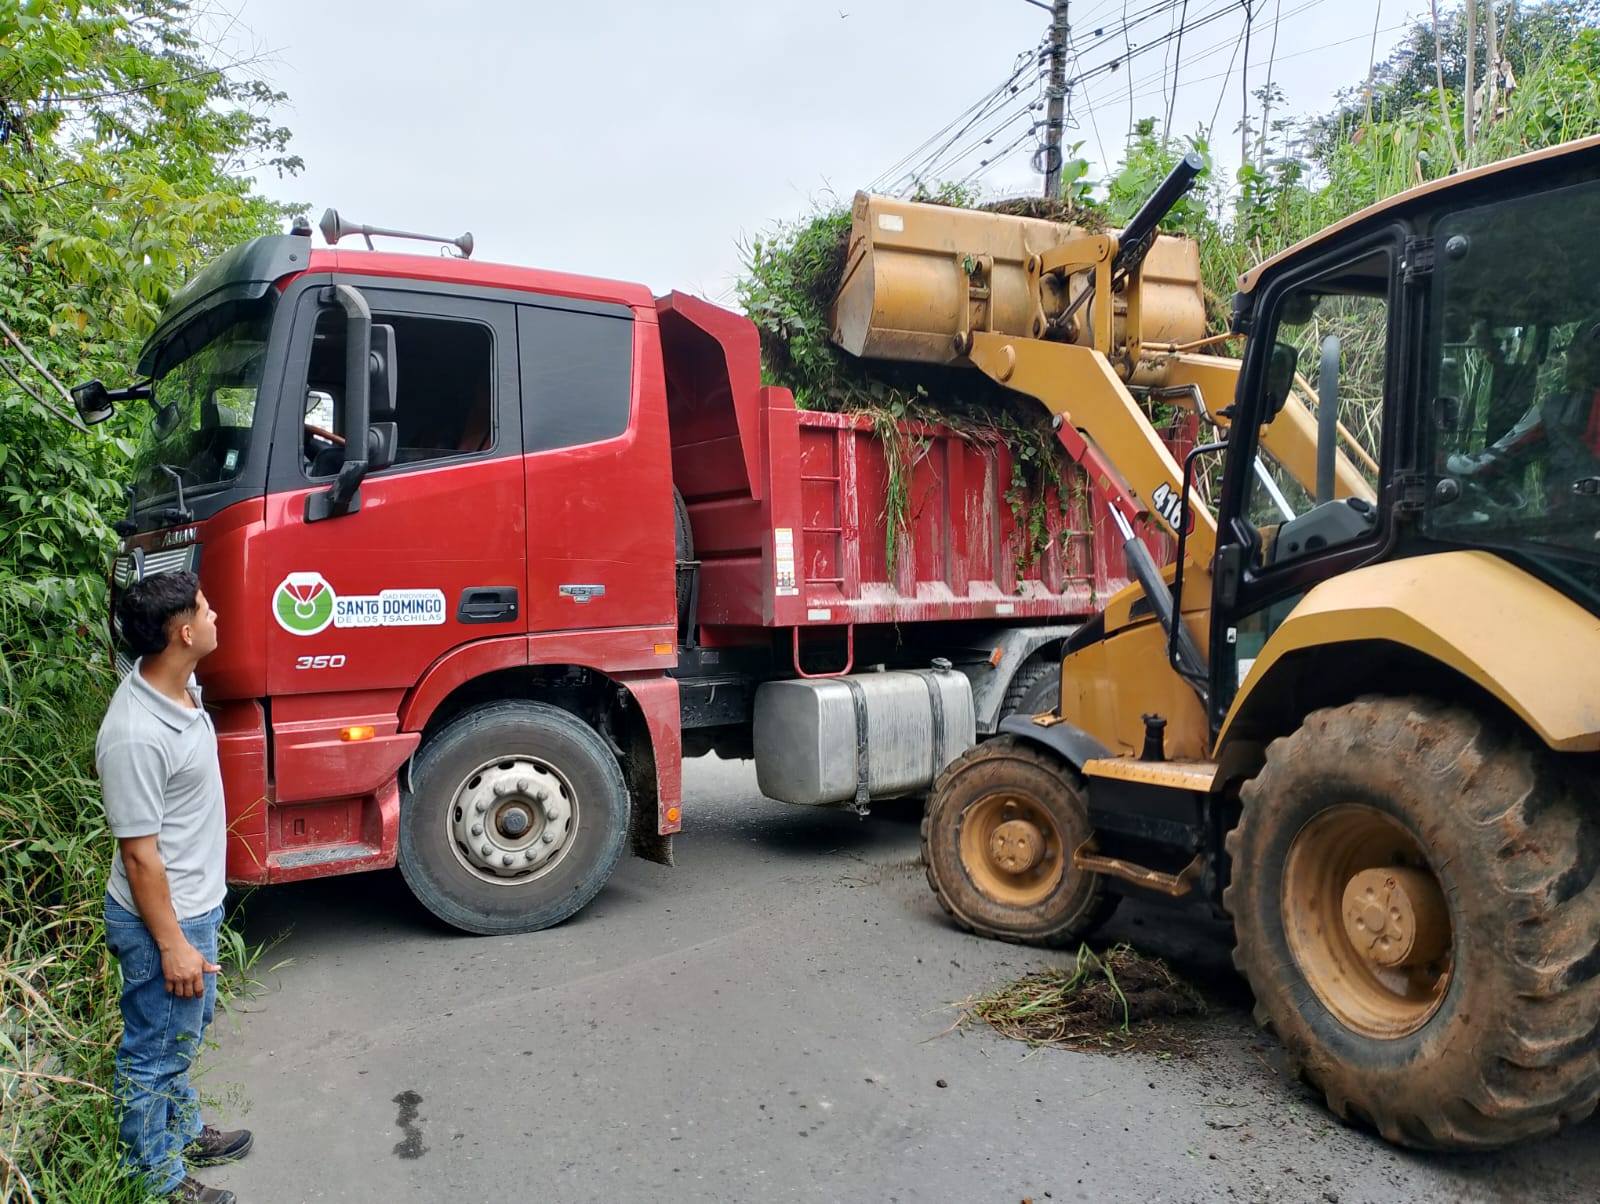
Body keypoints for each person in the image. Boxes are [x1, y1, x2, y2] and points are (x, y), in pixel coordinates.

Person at [96, 571, 251, 1204]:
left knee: (180, 1033)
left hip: (194, 905)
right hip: (165, 920)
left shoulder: (178, 686)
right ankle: (153, 1175)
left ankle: (181, 1131)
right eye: (206, 610)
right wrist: (172, 945)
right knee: (155, 1048)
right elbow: (138, 857)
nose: (215, 617)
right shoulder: (135, 734)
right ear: (184, 633)